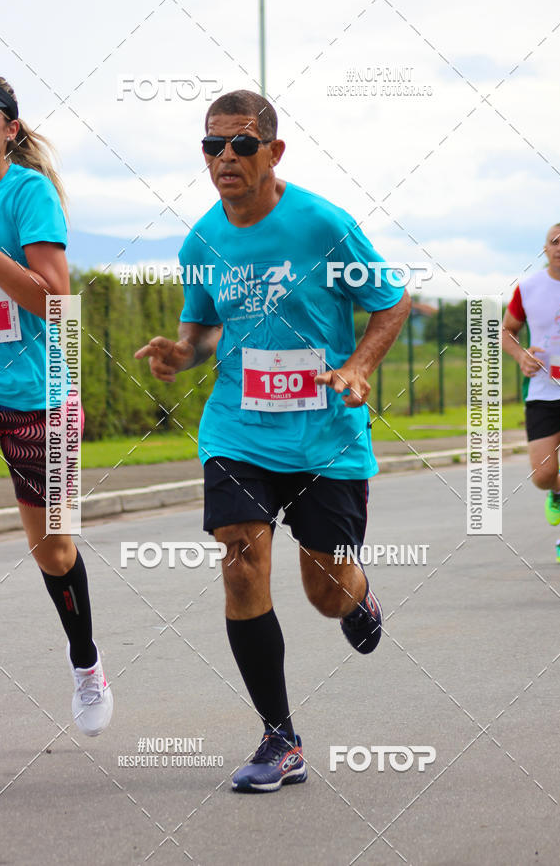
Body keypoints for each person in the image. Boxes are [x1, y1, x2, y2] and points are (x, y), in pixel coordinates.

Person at [136, 90, 409, 792]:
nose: (225, 157)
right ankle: (279, 739)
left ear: (274, 152)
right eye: (212, 145)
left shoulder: (321, 224)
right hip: (238, 428)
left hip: (325, 438)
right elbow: (202, 331)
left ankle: (358, 598)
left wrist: (358, 366)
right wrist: (180, 351)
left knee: (324, 591)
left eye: (242, 144)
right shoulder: (200, 239)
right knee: (240, 557)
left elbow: (391, 299)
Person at [0, 72, 113, 735]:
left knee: (54, 552)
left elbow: (57, 304)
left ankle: (85, 660)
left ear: (10, 128)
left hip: (41, 400)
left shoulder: (28, 195)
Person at [502, 222, 560, 564]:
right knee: (543, 475)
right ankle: (557, 488)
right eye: (555, 242)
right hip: (544, 390)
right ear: (545, 249)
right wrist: (520, 356)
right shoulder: (529, 288)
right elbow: (507, 332)